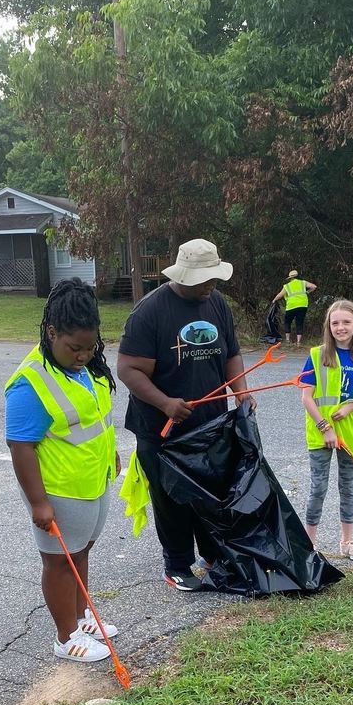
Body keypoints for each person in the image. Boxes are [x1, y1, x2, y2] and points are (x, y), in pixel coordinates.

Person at [117, 238, 251, 591]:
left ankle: (212, 553)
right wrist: (165, 403)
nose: (210, 286)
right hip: (161, 427)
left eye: (213, 279)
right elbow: (128, 369)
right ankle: (176, 562)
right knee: (172, 497)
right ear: (183, 276)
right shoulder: (150, 311)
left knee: (210, 492)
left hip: (209, 423)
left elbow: (231, 354)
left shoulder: (216, 303)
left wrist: (242, 392)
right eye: (203, 280)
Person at [5, 279, 121, 661]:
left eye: (91, 347)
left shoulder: (81, 367)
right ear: (51, 332)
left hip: (91, 479)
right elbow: (20, 445)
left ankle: (80, 615)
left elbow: (93, 418)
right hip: (59, 488)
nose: (84, 355)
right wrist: (39, 503)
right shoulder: (31, 382)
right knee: (59, 561)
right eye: (75, 347)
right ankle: (65, 635)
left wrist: (111, 453)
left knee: (81, 551)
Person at [301, 299, 353, 561]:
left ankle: (347, 543)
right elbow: (306, 397)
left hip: (351, 433)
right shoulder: (317, 354)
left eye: (346, 322)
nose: (340, 327)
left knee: (348, 488)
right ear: (328, 325)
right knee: (318, 488)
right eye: (335, 322)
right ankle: (309, 544)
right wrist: (325, 427)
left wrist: (351, 407)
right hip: (321, 434)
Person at [271, 269, 317, 346]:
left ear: (290, 278)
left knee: (287, 322)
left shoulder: (287, 286)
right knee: (299, 322)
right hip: (303, 305)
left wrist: (274, 300)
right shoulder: (303, 283)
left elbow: (280, 295)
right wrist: (307, 292)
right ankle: (298, 342)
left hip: (291, 306)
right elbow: (314, 286)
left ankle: (288, 340)